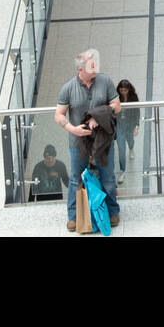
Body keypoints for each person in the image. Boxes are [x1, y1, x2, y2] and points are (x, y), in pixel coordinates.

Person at [55, 49, 121, 230]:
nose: (96, 68)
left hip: (103, 142)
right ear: (80, 69)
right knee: (76, 178)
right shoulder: (68, 88)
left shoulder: (105, 81)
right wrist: (72, 129)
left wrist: (98, 117)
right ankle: (74, 216)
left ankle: (112, 211)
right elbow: (59, 115)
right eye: (92, 65)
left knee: (108, 177)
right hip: (78, 143)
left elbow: (117, 106)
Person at [115, 79, 140, 176]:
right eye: (121, 90)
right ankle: (122, 169)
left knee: (130, 140)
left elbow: (137, 111)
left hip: (130, 123)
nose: (123, 92)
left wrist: (137, 125)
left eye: (125, 90)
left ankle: (131, 148)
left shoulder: (133, 97)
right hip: (119, 124)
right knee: (121, 146)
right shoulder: (116, 97)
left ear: (129, 89)